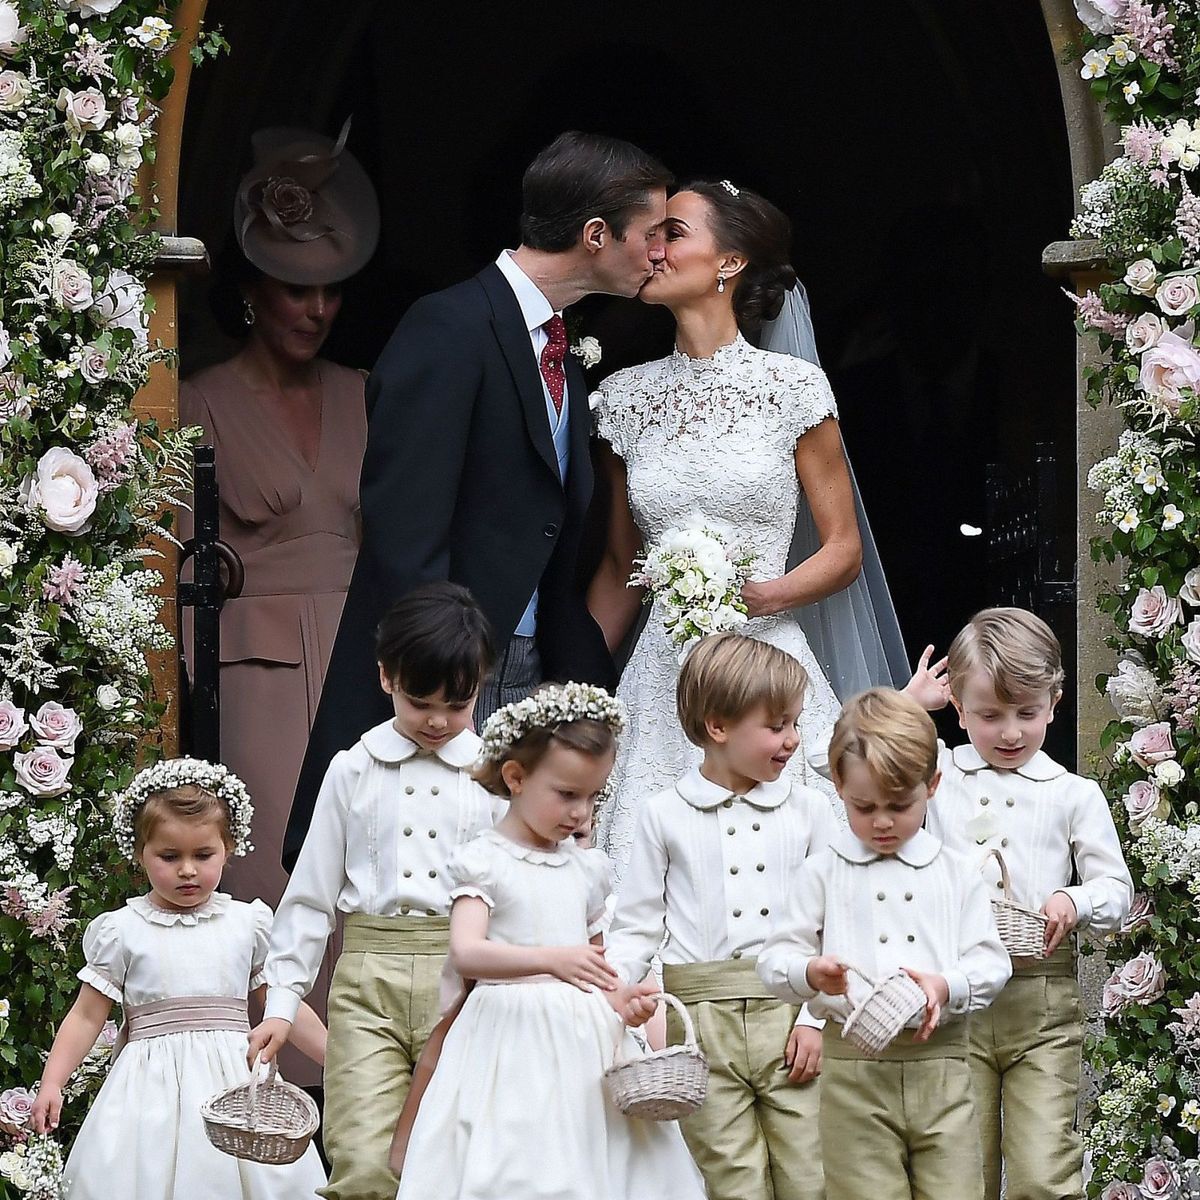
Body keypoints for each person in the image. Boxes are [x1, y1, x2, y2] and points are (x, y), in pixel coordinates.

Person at [288, 132, 673, 868]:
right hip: (452, 673)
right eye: (651, 234)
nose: (659, 252)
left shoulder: (561, 343)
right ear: (596, 236)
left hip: (534, 660)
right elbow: (405, 526)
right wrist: (438, 679)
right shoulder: (450, 327)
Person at [589, 180, 875, 883]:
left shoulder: (794, 389)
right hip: (661, 674)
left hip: (766, 666)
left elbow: (843, 550)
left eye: (674, 232)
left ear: (730, 262)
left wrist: (756, 599)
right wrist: (582, 686)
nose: (652, 248)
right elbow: (623, 563)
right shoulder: (621, 400)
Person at [180, 123, 379, 1083]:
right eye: (297, 288)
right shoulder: (194, 399)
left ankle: (378, 1092)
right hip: (252, 673)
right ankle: (274, 1098)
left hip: (366, 660)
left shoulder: (370, 393)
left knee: (372, 877)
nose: (317, 307)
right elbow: (170, 564)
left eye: (332, 289)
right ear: (251, 294)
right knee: (271, 879)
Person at [394, 683, 706, 1200]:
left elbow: (599, 965)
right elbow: (467, 952)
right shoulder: (486, 861)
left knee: (591, 1155)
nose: (581, 813)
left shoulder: (586, 871)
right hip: (506, 1033)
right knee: (519, 1160)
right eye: (566, 794)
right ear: (516, 778)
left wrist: (623, 1000)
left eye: (592, 796)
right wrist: (550, 961)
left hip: (584, 1034)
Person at [249, 583, 500, 1200]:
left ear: (481, 685)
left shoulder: (500, 774)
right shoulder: (352, 769)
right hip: (367, 982)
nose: (438, 721)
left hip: (470, 985)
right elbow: (309, 896)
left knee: (465, 1157)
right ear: (386, 677)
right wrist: (282, 1002)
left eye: (458, 703)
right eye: (420, 702)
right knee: (361, 1156)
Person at [30, 759, 328, 1199]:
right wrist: (52, 1082)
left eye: (203, 855)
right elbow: (87, 1016)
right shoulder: (122, 930)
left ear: (228, 848)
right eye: (169, 857)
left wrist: (337, 1062)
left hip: (236, 1087)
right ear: (140, 852)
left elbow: (281, 1002)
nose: (187, 870)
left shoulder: (247, 923)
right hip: (148, 1093)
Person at [758, 689, 1012, 1200]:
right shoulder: (823, 870)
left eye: (899, 806)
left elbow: (991, 962)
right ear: (838, 786)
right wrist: (810, 973)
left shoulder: (957, 872)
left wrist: (945, 985)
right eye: (863, 806)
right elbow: (773, 959)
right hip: (854, 1072)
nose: (881, 821)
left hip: (940, 1066)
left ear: (932, 786)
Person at [606, 633, 834, 1200]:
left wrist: (815, 1020)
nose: (793, 740)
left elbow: (837, 920)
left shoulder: (809, 810)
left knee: (812, 1175)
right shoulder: (664, 814)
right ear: (718, 727)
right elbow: (637, 923)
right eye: (777, 725)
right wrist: (612, 996)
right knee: (730, 1179)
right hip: (700, 1026)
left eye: (795, 723)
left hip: (791, 1013)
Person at [927, 608, 1132, 1200]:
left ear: (1055, 701)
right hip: (957, 1001)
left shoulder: (1074, 794)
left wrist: (1073, 899)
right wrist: (912, 707)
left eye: (1027, 713)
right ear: (958, 708)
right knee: (960, 1176)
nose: (1010, 732)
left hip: (1041, 1003)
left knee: (1045, 1173)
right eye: (989, 715)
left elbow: (1116, 893)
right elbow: (839, 757)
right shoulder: (937, 773)